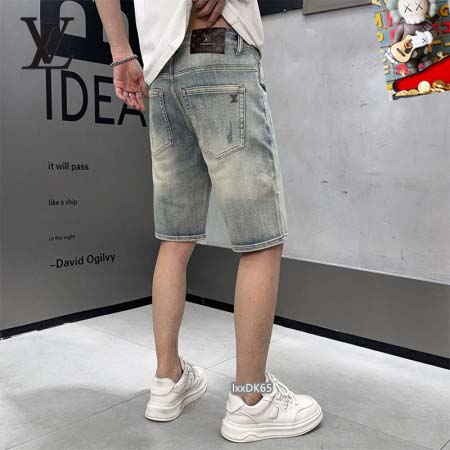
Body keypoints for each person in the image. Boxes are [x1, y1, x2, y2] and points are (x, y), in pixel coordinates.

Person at [93, 0, 323, 442]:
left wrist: (121, 52)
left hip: (160, 70)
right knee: (260, 239)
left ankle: (167, 380)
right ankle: (252, 402)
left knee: (175, 238)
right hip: (215, 45)